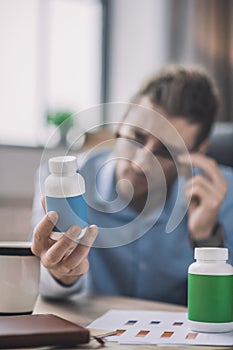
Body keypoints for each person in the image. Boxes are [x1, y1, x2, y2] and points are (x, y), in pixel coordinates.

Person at [31, 64, 233, 306]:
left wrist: (207, 238)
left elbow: (222, 308)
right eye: (137, 137)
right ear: (122, 120)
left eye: (166, 152)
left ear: (198, 151)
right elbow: (45, 286)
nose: (140, 164)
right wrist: (60, 274)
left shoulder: (222, 194)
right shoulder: (63, 182)